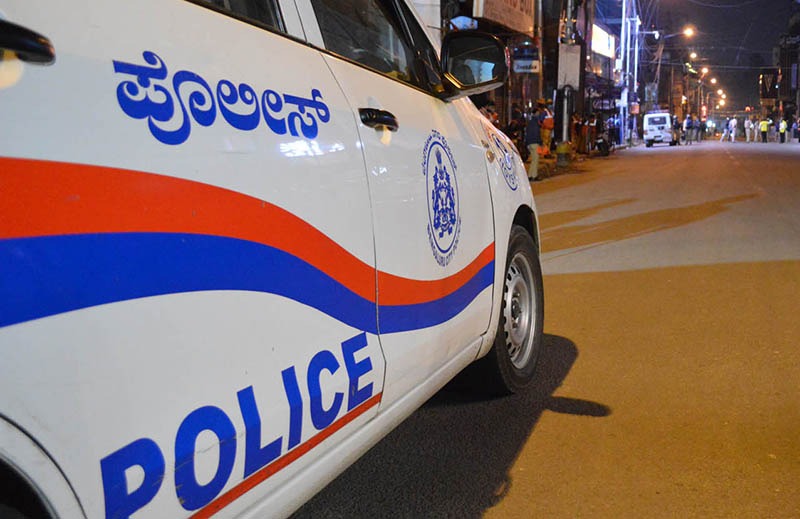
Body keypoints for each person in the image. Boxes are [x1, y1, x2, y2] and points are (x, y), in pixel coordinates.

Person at [525, 107, 542, 181]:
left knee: (533, 160)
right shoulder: (535, 123)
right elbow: (536, 133)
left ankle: (530, 175)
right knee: (535, 159)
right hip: (534, 142)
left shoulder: (530, 122)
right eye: (538, 112)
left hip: (530, 143)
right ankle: (534, 175)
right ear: (536, 113)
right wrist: (540, 142)